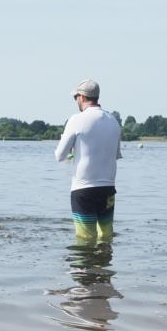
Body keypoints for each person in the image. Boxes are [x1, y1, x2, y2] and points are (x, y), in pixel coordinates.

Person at [54, 79, 122, 242]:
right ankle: (103, 265)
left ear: (82, 97)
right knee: (105, 237)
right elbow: (116, 155)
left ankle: (85, 267)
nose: (76, 101)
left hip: (83, 189)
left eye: (76, 97)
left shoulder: (76, 120)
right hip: (108, 189)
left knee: (85, 240)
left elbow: (60, 156)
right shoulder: (113, 121)